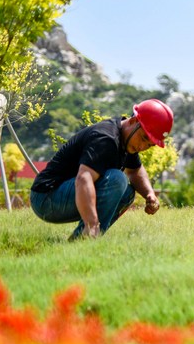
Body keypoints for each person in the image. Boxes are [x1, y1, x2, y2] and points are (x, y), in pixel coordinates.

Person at [30, 99, 174, 240]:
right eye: (143, 139)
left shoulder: (128, 140)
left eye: (149, 145)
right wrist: (91, 223)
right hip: (46, 197)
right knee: (117, 179)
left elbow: (135, 171)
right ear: (133, 121)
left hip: (64, 194)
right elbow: (83, 178)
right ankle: (88, 235)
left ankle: (80, 242)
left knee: (128, 193)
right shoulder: (106, 138)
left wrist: (149, 194)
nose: (142, 147)